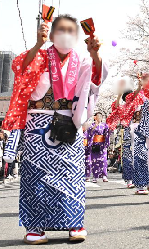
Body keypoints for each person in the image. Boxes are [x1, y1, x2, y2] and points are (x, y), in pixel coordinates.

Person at [2, 14, 108, 244]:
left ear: (77, 36)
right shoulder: (38, 56)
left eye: (71, 30)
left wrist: (95, 53)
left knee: (71, 174)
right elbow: (20, 68)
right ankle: (35, 227)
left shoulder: (81, 60)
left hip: (69, 121)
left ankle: (74, 223)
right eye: (61, 29)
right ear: (50, 34)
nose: (66, 34)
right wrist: (38, 44)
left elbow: (97, 80)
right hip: (38, 122)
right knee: (36, 175)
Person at [87, 112, 110, 183]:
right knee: (95, 161)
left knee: (103, 161)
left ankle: (104, 176)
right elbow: (89, 133)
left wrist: (106, 142)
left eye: (100, 116)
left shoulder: (104, 125)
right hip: (94, 145)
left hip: (102, 145)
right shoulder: (92, 125)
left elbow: (107, 134)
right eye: (98, 116)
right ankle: (95, 177)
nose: (99, 117)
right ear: (95, 117)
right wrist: (94, 127)